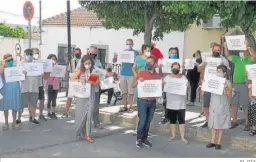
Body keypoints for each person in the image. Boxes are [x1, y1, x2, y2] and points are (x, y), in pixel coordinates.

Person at [223, 40, 255, 130]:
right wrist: (225, 47)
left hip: (245, 84)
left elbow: (254, 55)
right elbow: (227, 55)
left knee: (245, 104)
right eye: (241, 50)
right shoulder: (237, 59)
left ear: (247, 51)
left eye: (243, 50)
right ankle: (234, 121)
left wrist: (248, 45)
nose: (242, 51)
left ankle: (247, 122)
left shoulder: (249, 59)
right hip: (235, 84)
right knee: (234, 103)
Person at [198, 43, 230, 128]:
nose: (216, 51)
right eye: (215, 50)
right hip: (207, 84)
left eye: (218, 50)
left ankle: (217, 121)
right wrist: (202, 65)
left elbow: (228, 70)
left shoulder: (223, 59)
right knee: (206, 104)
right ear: (212, 50)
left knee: (216, 104)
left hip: (217, 85)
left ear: (220, 51)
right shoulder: (206, 58)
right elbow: (199, 69)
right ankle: (207, 121)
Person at [132, 56, 161, 148]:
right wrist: (138, 81)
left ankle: (145, 138)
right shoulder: (142, 73)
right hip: (142, 101)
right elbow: (133, 85)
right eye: (147, 62)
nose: (148, 64)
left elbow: (159, 88)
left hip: (152, 101)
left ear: (155, 64)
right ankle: (139, 139)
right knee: (143, 120)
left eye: (151, 62)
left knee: (148, 121)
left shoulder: (157, 75)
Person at [72, 55, 99, 143]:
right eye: (86, 63)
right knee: (81, 114)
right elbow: (73, 79)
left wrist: (91, 82)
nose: (88, 65)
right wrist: (79, 80)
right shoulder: (80, 71)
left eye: (89, 63)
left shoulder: (93, 71)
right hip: (81, 95)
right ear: (83, 63)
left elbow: (97, 84)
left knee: (89, 114)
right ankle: (80, 131)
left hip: (91, 95)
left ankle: (88, 134)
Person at [206, 65, 232, 150]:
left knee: (221, 124)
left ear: (224, 73)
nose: (218, 73)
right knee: (213, 123)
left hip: (222, 105)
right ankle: (212, 141)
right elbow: (207, 90)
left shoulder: (227, 82)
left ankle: (219, 142)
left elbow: (230, 95)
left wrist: (226, 88)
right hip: (213, 104)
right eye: (217, 71)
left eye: (220, 71)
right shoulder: (213, 80)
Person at [164, 62, 189, 144]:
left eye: (177, 68)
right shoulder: (167, 77)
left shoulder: (183, 77)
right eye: (174, 67)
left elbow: (188, 87)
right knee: (172, 121)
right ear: (171, 68)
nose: (176, 69)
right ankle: (173, 136)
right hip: (171, 103)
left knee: (182, 121)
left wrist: (186, 86)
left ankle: (182, 137)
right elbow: (163, 86)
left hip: (181, 103)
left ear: (179, 69)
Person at [0, 54, 23, 130]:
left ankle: (14, 123)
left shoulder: (15, 66)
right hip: (6, 90)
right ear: (5, 60)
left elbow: (21, 75)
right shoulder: (2, 67)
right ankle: (6, 123)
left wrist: (24, 74)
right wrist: (3, 64)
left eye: (11, 59)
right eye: (8, 60)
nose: (10, 61)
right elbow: (0, 73)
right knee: (5, 107)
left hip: (15, 89)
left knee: (14, 106)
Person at [160, 47, 180, 124]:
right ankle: (166, 117)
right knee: (166, 102)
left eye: (175, 53)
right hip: (167, 84)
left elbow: (182, 74)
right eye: (171, 53)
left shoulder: (179, 62)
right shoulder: (165, 62)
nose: (173, 54)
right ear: (169, 54)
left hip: (176, 85)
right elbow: (162, 73)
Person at [20, 49, 41, 125]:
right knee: (22, 105)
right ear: (24, 55)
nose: (29, 55)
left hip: (34, 87)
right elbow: (18, 77)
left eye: (31, 54)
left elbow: (41, 73)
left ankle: (32, 118)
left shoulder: (37, 64)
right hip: (24, 88)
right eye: (28, 54)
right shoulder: (21, 64)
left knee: (33, 104)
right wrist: (22, 75)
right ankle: (18, 119)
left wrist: (40, 74)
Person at [119, 39, 139, 113]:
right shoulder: (123, 52)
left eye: (130, 44)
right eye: (127, 44)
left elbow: (137, 63)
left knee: (131, 92)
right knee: (123, 91)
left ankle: (130, 106)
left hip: (131, 74)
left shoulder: (136, 53)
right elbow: (119, 62)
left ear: (133, 44)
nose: (129, 45)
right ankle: (124, 106)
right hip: (123, 73)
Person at [63, 48, 82, 117]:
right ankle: (67, 112)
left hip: (80, 81)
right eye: (76, 53)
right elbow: (67, 72)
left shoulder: (83, 61)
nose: (77, 54)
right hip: (72, 81)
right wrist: (67, 81)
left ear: (81, 53)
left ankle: (79, 112)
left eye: (78, 53)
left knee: (79, 97)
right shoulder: (71, 61)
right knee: (69, 97)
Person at [44, 54, 60, 119]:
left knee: (54, 99)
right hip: (49, 85)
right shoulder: (47, 67)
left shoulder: (58, 67)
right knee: (49, 99)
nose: (54, 60)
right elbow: (45, 77)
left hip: (56, 85)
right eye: (52, 59)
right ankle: (48, 112)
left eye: (55, 59)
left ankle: (53, 112)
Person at [32, 52, 47, 121]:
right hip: (33, 85)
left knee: (42, 100)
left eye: (37, 53)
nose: (36, 55)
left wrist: (43, 75)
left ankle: (40, 114)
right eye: (35, 53)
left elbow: (45, 76)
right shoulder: (30, 63)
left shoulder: (41, 63)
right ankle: (32, 116)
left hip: (40, 85)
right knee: (33, 101)